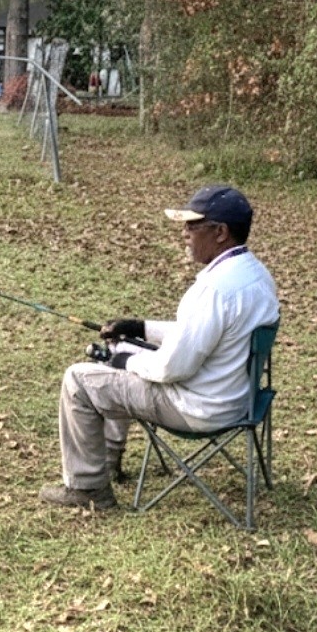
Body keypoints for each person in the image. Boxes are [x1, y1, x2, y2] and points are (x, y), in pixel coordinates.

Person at [39, 184, 280, 511]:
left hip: (197, 408)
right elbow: (199, 334)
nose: (185, 233)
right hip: (240, 401)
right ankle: (108, 459)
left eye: (192, 226)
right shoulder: (256, 275)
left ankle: (88, 488)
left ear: (220, 232)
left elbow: (171, 368)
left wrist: (124, 360)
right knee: (123, 352)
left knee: (79, 380)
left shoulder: (213, 288)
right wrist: (139, 329)